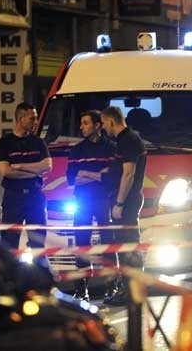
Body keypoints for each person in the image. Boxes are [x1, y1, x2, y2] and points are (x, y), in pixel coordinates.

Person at [66, 110, 116, 300]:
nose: (81, 127)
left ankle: (111, 287)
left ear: (97, 126)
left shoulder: (112, 148)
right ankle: (81, 290)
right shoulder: (77, 150)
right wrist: (97, 175)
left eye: (86, 123)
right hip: (82, 202)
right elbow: (72, 179)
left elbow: (112, 178)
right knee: (82, 244)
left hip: (104, 200)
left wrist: (85, 174)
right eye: (81, 123)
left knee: (108, 244)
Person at [101, 106, 148, 305]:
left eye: (103, 123)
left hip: (126, 201)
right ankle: (128, 289)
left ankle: (131, 291)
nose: (103, 128)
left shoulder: (128, 140)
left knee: (127, 245)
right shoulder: (125, 140)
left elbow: (128, 174)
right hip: (125, 200)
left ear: (111, 121)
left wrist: (119, 203)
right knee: (125, 244)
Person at [0, 102, 52, 252]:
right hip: (13, 198)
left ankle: (38, 274)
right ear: (20, 118)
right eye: (32, 118)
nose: (35, 122)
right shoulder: (4, 143)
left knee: (38, 241)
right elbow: (5, 171)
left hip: (35, 196)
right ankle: (10, 275)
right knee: (9, 242)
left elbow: (47, 166)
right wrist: (34, 170)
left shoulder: (39, 143)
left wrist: (20, 167)